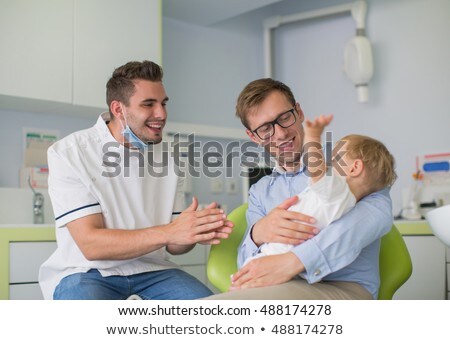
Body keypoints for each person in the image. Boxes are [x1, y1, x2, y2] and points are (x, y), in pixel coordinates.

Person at [39, 60, 233, 300]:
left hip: (154, 270)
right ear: (119, 109)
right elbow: (92, 245)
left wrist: (194, 230)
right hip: (87, 272)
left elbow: (174, 246)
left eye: (163, 103)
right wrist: (171, 232)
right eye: (148, 104)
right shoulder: (70, 153)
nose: (161, 114)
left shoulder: (170, 155)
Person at [206, 78, 394, 300]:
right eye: (265, 128)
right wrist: (258, 233)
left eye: (284, 118)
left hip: (344, 288)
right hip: (282, 286)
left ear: (299, 112)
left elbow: (377, 212)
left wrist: (293, 262)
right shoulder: (260, 191)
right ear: (253, 137)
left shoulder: (343, 164)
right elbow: (248, 264)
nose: (280, 134)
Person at [243, 113, 397, 265]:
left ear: (354, 168)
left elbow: (317, 172)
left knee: (243, 281)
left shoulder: (338, 191)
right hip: (283, 253)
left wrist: (313, 137)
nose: (328, 161)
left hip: (278, 253)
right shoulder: (347, 200)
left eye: (335, 156)